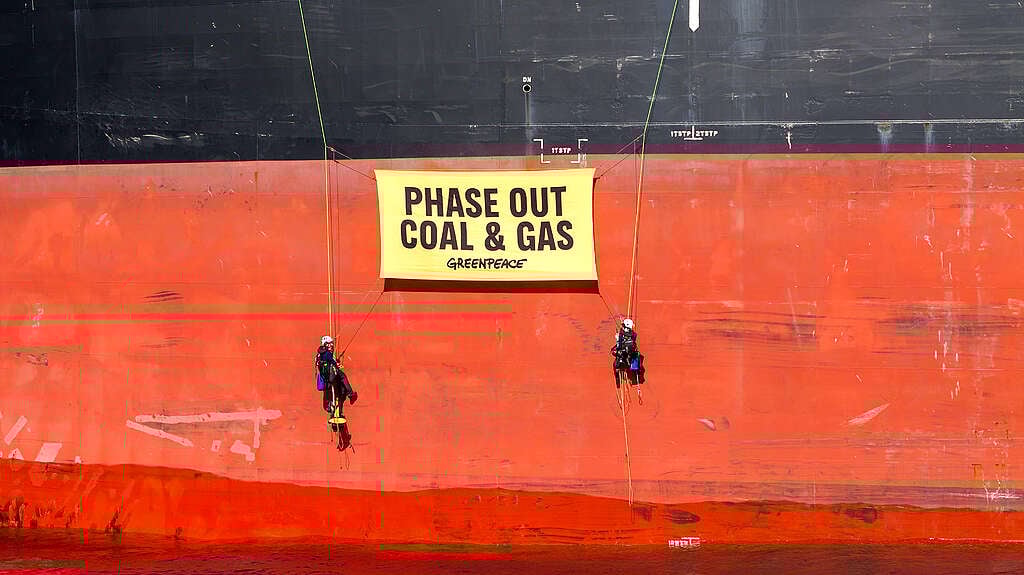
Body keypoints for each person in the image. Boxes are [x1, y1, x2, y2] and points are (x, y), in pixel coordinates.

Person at [315, 335, 358, 450]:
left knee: (332, 403)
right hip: (332, 379)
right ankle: (351, 394)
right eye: (330, 344)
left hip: (327, 382)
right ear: (326, 344)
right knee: (342, 376)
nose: (332, 345)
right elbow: (332, 361)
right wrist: (337, 364)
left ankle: (335, 423)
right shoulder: (327, 353)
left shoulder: (319, 354)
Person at [610, 318, 645, 404]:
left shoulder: (620, 335)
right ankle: (638, 372)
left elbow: (619, 344)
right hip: (631, 354)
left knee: (615, 363)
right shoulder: (634, 334)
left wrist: (617, 337)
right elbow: (631, 337)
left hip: (622, 354)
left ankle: (617, 378)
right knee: (638, 358)